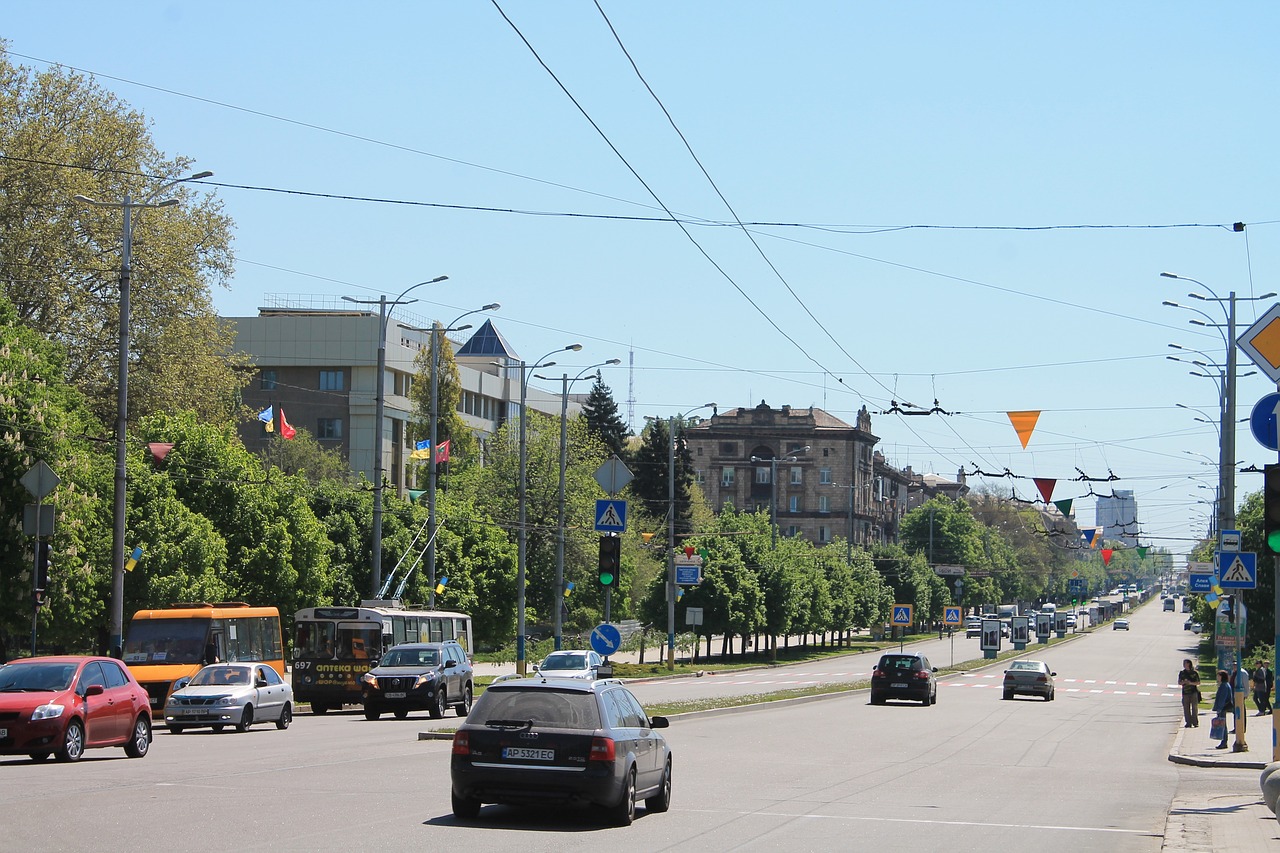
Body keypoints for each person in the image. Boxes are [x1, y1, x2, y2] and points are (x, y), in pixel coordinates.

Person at [1211, 669, 1233, 750]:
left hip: (1222, 708)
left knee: (1222, 724)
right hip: (1223, 707)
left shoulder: (1224, 686)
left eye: (1218, 676)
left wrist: (1219, 708)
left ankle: (1224, 741)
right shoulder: (1225, 684)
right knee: (1223, 724)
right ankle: (1224, 741)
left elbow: (1222, 698)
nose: (1217, 677)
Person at [1178, 659, 1200, 728]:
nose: (1184, 665)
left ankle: (1195, 722)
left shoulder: (1194, 673)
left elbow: (1198, 682)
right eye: (1183, 663)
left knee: (1194, 708)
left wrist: (1190, 683)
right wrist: (1183, 682)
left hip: (1193, 692)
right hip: (1185, 692)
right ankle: (1188, 722)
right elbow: (1179, 682)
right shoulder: (1182, 673)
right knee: (1186, 708)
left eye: (1185, 663)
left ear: (1189, 664)